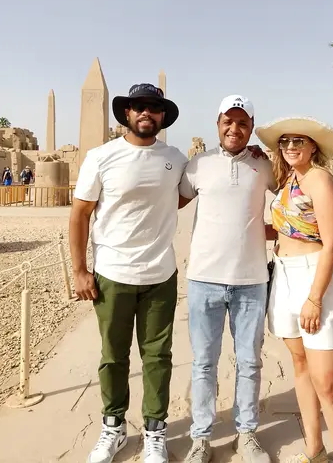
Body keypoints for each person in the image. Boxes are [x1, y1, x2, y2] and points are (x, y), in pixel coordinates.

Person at [69, 83, 187, 463]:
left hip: (159, 275)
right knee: (113, 357)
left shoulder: (175, 159)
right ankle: (114, 427)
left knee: (158, 357)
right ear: (126, 113)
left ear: (163, 115)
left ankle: (155, 430)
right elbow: (80, 214)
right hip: (112, 274)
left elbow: (185, 194)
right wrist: (80, 270)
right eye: (139, 106)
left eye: (154, 107)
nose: (146, 113)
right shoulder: (101, 157)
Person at [179, 95, 276, 463]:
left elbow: (295, 193)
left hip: (251, 281)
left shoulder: (263, 166)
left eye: (242, 123)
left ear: (251, 127)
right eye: (228, 122)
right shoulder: (198, 165)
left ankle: (246, 434)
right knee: (204, 363)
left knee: (249, 362)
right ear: (217, 123)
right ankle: (201, 437)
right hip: (204, 279)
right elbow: (167, 203)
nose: (235, 128)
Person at [256, 118, 333, 463]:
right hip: (283, 275)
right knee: (300, 365)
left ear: (313, 146)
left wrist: (315, 298)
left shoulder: (320, 179)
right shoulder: (288, 180)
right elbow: (288, 229)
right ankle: (315, 448)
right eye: (285, 142)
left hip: (314, 278)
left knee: (326, 381)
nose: (291, 147)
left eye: (299, 141)